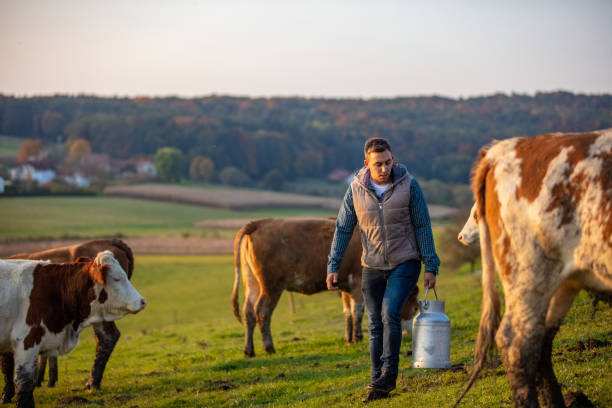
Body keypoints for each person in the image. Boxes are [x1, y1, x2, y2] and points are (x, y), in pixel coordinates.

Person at [326, 137, 440, 402]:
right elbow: (343, 228)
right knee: (374, 322)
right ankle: (377, 379)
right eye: (378, 164)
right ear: (367, 163)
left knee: (391, 313)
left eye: (388, 162)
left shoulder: (409, 185)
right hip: (372, 265)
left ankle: (389, 375)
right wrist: (333, 264)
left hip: (405, 261)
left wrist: (430, 265)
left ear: (393, 160)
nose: (384, 168)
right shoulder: (355, 189)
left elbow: (423, 225)